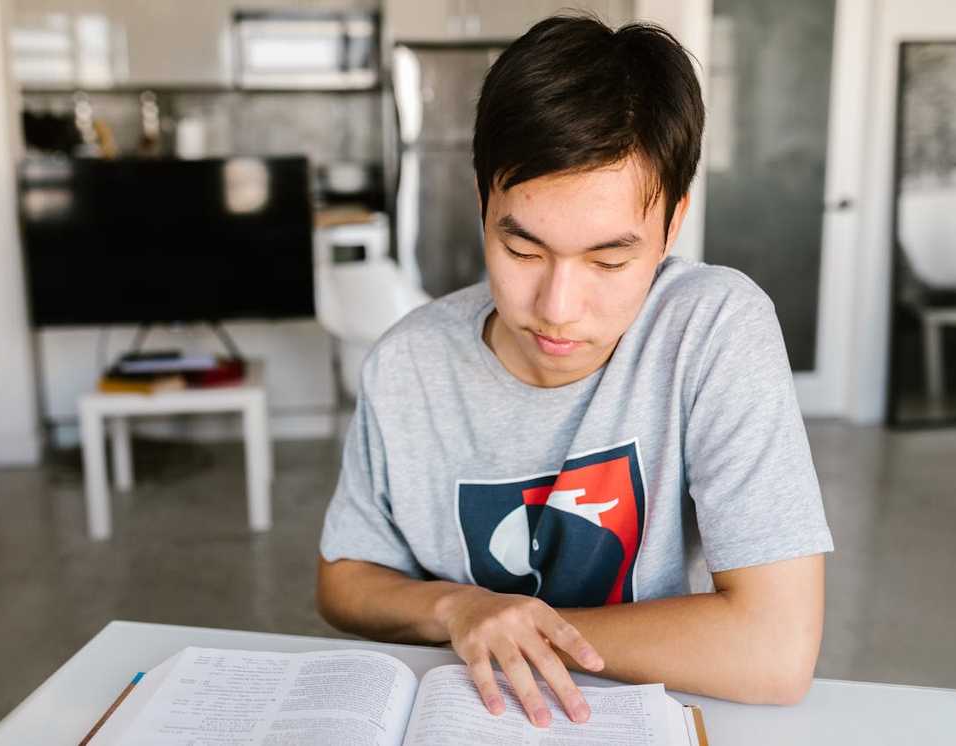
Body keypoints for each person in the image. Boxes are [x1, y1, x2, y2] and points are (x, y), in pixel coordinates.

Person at [316, 14, 834, 728]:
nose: (557, 309)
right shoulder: (407, 364)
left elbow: (774, 650)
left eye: (609, 260)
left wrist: (523, 629)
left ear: (672, 225)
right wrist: (459, 607)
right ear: (483, 202)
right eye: (523, 251)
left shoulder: (711, 329)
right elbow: (344, 578)